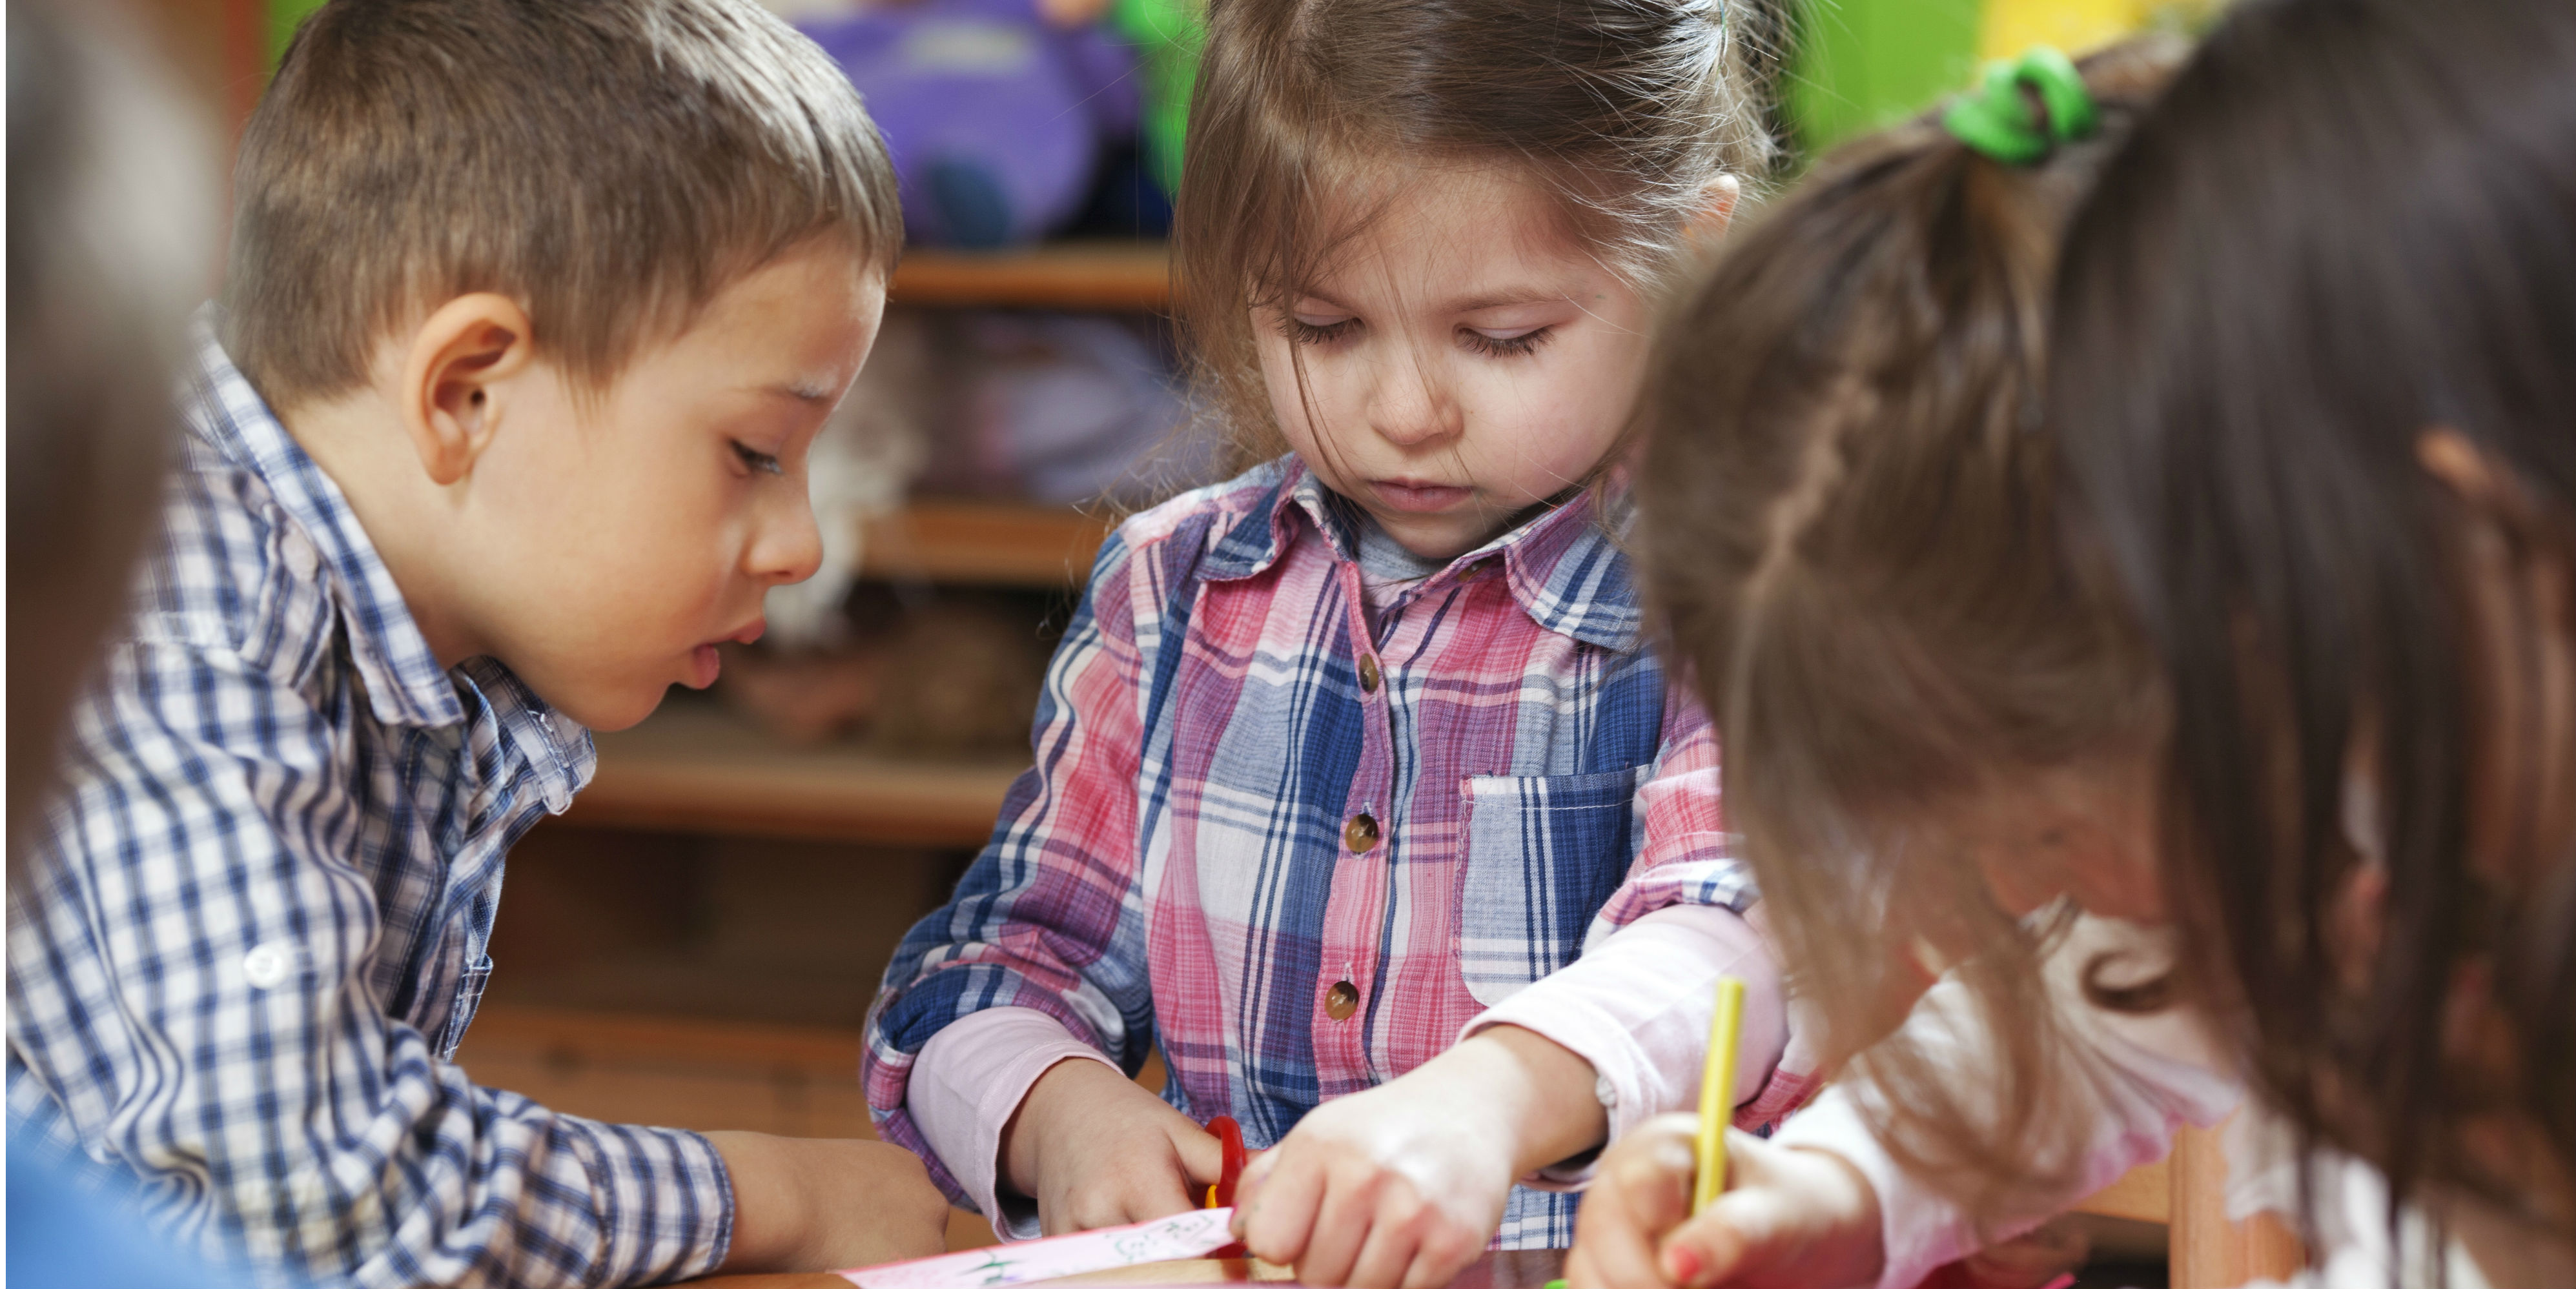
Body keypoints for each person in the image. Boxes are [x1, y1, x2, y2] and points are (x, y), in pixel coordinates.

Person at [1581, 3, 2576, 1287]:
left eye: (2043, 834)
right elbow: (2117, 1001)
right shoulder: (2348, 764)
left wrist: (2505, 1208)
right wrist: (1844, 1186)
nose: (2014, 893)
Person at [5, 1, 952, 1283]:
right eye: (754, 453)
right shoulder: (196, 620)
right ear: (467, 393)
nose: (797, 544)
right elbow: (320, 1182)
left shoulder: (387, 607)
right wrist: (762, 1190)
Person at [861, 2, 1806, 1286]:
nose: (1404, 411)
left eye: (1502, 338)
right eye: (1323, 327)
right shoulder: (1175, 588)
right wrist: (1057, 1111)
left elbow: (1744, 936)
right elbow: (997, 961)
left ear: (1692, 261)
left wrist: (1488, 1102)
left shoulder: (1752, 586)